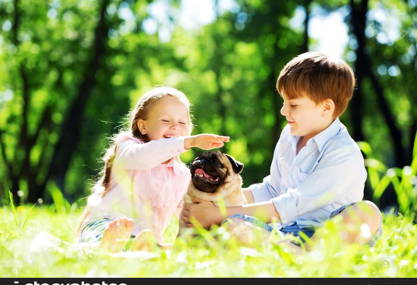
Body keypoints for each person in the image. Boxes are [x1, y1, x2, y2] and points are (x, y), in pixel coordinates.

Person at [182, 52, 382, 246]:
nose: (283, 111)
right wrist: (216, 203)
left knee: (366, 213)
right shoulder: (290, 135)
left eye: (293, 105)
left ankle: (309, 257)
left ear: (326, 108)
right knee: (233, 226)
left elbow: (291, 204)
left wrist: (217, 213)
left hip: (326, 236)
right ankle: (294, 254)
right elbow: (273, 189)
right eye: (284, 102)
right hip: (286, 233)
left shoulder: (342, 152)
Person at [77, 87, 229, 252]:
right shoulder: (127, 148)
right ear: (143, 126)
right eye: (165, 121)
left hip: (145, 237)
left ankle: (136, 247)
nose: (175, 127)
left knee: (154, 247)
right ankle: (111, 243)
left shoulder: (181, 175)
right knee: (102, 236)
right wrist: (188, 142)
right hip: (103, 224)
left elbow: (188, 216)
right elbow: (143, 156)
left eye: (182, 122)